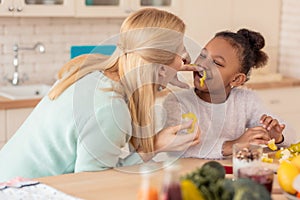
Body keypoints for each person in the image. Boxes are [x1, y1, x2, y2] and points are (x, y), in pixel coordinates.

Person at [0, 8, 201, 181]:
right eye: (180, 52)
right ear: (160, 68)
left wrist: (162, 77)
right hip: (19, 191)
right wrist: (156, 146)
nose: (185, 58)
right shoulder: (110, 107)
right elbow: (91, 181)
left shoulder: (91, 70)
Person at [163, 28, 294, 159]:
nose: (202, 64)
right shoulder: (177, 102)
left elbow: (291, 135)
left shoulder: (246, 101)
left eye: (216, 63)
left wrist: (276, 136)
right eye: (203, 55)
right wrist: (233, 145)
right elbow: (175, 148)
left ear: (236, 79)